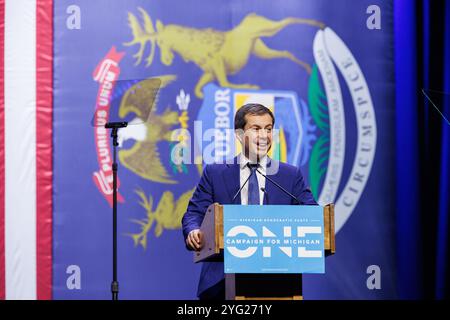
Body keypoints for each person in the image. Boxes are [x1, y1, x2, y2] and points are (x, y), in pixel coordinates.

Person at [182, 103, 317, 300]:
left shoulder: (290, 175)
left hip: (278, 280)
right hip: (222, 281)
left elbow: (312, 215)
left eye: (268, 129)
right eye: (256, 129)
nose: (264, 136)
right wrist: (193, 230)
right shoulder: (215, 172)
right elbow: (195, 213)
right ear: (238, 134)